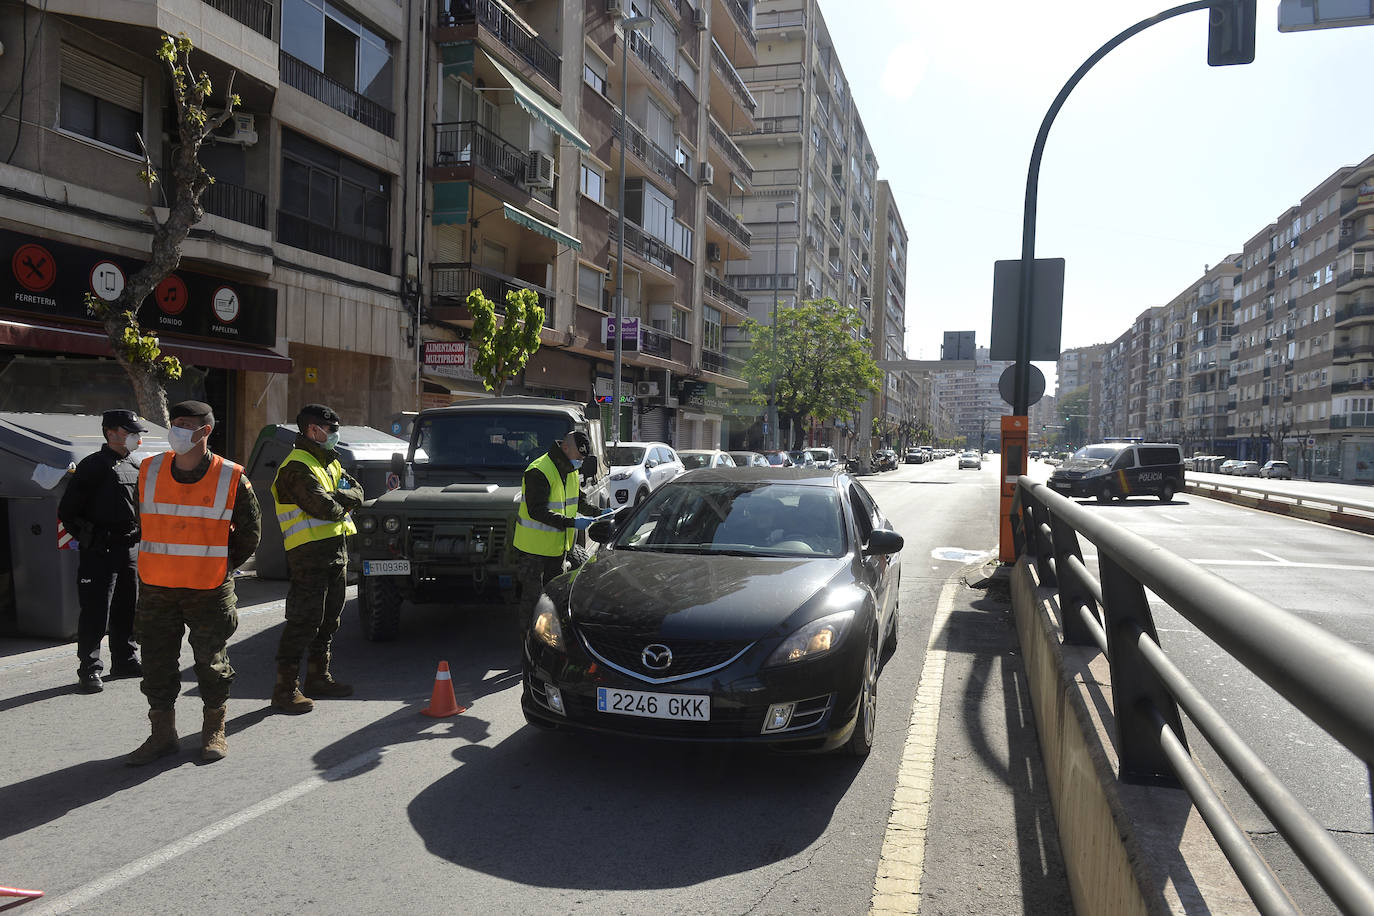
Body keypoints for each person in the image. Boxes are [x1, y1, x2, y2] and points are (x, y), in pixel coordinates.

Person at [127, 400, 260, 765]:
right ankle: (162, 735)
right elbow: (145, 519)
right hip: (157, 587)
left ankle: (214, 730)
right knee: (156, 662)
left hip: (208, 588)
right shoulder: (149, 469)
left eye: (187, 424)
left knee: (210, 663)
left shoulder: (231, 476)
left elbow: (250, 534)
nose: (178, 430)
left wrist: (220, 567)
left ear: (206, 430)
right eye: (176, 423)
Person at [269, 404, 364, 714]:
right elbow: (325, 508)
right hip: (307, 555)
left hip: (335, 553)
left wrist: (342, 498)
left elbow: (359, 491)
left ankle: (318, 677)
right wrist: (343, 500)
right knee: (304, 621)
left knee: (329, 620)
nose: (335, 435)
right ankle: (285, 689)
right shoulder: (297, 467)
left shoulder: (330, 463)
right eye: (331, 429)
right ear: (313, 430)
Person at [58, 409, 148, 693]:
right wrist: (94, 539)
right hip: (101, 550)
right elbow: (68, 512)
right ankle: (89, 669)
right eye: (129, 432)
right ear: (111, 433)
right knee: (96, 611)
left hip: (129, 547)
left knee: (127, 607)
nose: (135, 438)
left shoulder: (135, 464)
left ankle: (125, 659)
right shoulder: (93, 466)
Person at [512, 430, 605, 631]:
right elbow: (537, 511)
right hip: (533, 551)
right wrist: (571, 523)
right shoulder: (539, 470)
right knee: (533, 602)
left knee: (553, 600)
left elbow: (578, 501)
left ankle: (549, 642)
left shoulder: (570, 470)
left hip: (557, 550)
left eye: (583, 458)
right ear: (565, 448)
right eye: (578, 456)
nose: (580, 461)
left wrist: (600, 512)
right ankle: (528, 646)